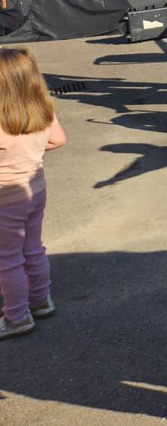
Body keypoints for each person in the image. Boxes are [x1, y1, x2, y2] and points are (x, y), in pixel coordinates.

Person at [0, 47, 67, 340]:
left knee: (7, 259)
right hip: (36, 189)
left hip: (5, 199)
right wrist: (32, 153)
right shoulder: (43, 109)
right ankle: (40, 300)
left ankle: (16, 317)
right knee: (33, 248)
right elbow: (59, 140)